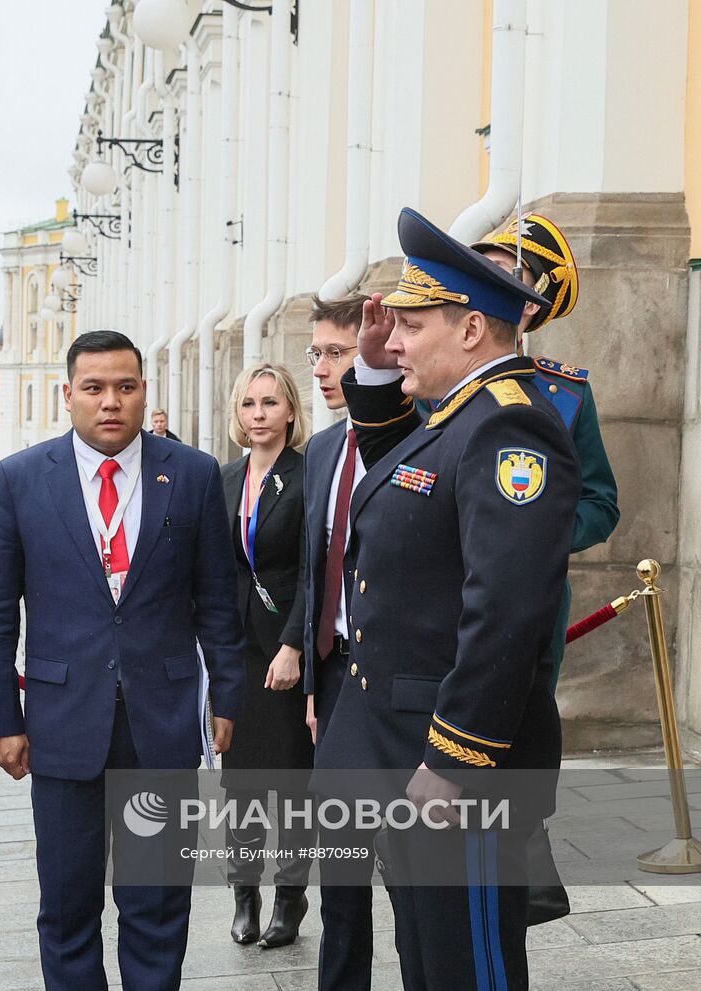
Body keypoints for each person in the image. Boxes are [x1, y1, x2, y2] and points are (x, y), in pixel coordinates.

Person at [314, 208, 579, 991]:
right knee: (430, 959)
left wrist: (454, 758)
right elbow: (408, 483)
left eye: (412, 325)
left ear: (470, 330)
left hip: (455, 770)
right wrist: (371, 374)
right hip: (406, 754)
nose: (394, 340)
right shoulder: (463, 419)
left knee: (468, 967)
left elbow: (505, 610)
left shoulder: (510, 429)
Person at [0, 330, 247, 991]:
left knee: (157, 901)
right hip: (62, 721)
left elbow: (216, 599)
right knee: (67, 903)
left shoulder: (192, 473)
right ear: (68, 395)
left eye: (125, 386)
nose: (110, 402)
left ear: (143, 391)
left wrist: (228, 696)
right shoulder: (19, 479)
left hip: (164, 716)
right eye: (93, 388)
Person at [470, 213, 620, 689]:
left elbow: (600, 503)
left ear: (531, 304)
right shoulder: (432, 384)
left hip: (530, 600)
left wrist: (541, 534)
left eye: (505, 272)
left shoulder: (567, 395)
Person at [297, 294, 378, 990]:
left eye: (336, 352)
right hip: (338, 673)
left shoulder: (411, 439)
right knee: (341, 860)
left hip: (401, 685)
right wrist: (316, 684)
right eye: (316, 353)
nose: (322, 369)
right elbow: (313, 569)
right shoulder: (322, 448)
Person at [218, 362, 312, 948]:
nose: (258, 414)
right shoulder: (224, 479)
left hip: (285, 647)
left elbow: (312, 570)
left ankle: (291, 898)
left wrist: (294, 644)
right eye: (249, 404)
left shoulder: (307, 475)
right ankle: (244, 895)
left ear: (291, 412)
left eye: (270, 404)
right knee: (240, 786)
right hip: (237, 651)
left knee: (292, 788)